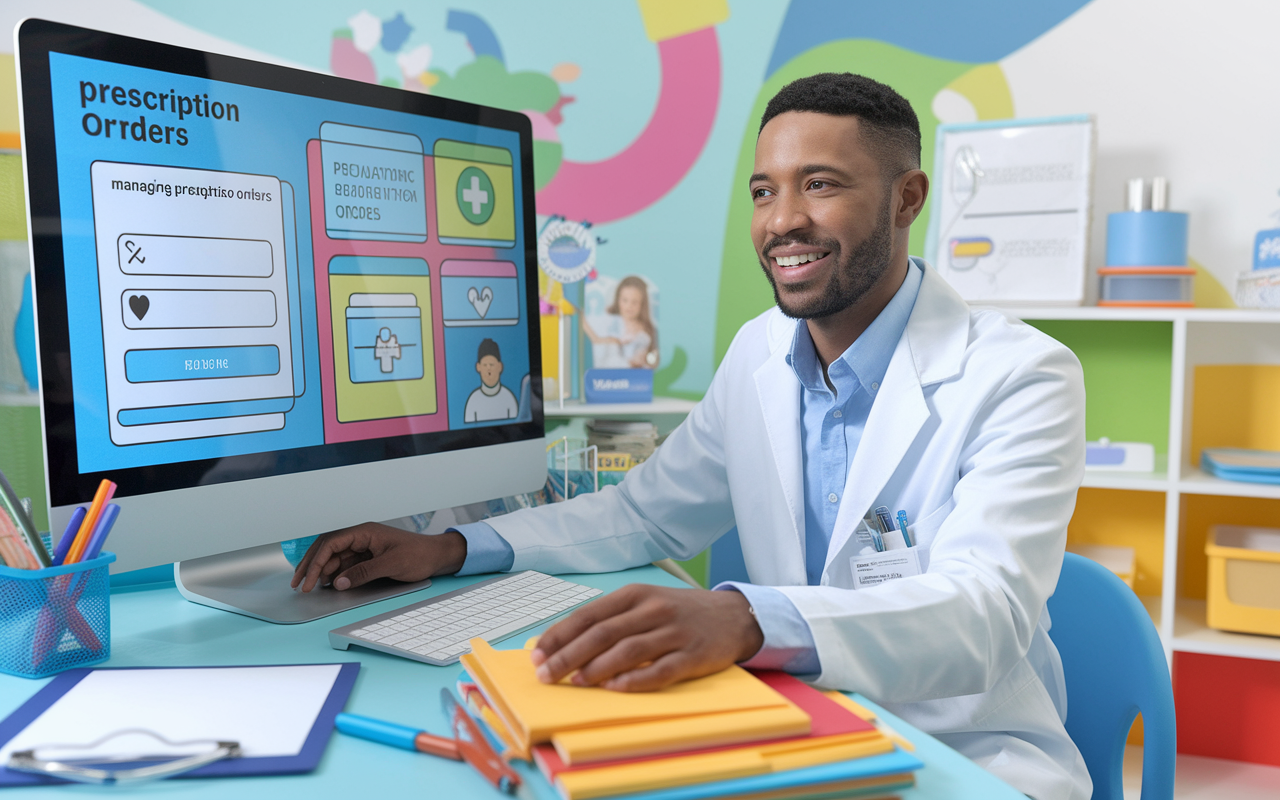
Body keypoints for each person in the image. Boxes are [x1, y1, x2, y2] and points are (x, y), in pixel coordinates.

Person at [292, 73, 1090, 800]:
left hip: (966, 760)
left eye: (821, 185)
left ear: (907, 197)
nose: (783, 223)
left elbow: (986, 611)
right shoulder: (758, 355)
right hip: (801, 732)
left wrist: (746, 619)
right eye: (763, 191)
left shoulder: (1022, 375)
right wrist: (451, 549)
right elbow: (643, 516)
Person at [583, 276, 660, 369]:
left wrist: (648, 360)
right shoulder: (609, 324)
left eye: (634, 302)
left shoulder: (648, 329)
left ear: (642, 304)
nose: (629, 306)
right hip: (612, 377)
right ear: (618, 300)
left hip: (638, 379)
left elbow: (654, 359)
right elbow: (603, 358)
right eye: (625, 300)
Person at [462, 338, 518, 422]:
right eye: (485, 365)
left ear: (500, 367)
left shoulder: (509, 398)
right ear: (478, 367)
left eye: (492, 365)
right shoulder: (473, 401)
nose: (489, 369)